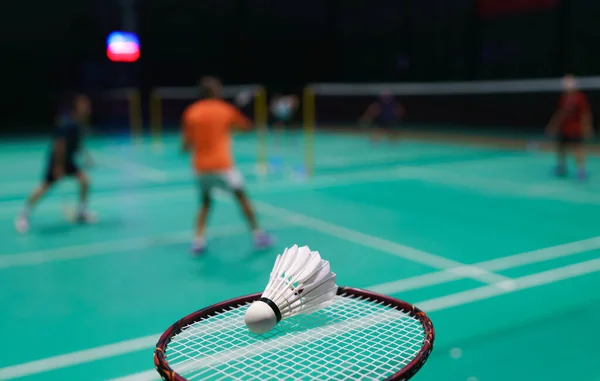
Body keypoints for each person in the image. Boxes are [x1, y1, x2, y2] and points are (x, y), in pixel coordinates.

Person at [181, 76, 275, 254]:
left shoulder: (191, 112)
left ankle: (198, 241)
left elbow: (186, 145)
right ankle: (258, 235)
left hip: (200, 168)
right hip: (223, 165)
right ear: (216, 92)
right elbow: (246, 126)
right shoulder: (225, 110)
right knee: (242, 198)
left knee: (205, 202)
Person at [15, 93, 95, 233]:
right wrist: (58, 166)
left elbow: (78, 143)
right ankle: (23, 215)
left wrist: (87, 157)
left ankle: (81, 213)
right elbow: (59, 145)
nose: (87, 107)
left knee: (84, 181)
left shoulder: (79, 122)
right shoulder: (67, 123)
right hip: (58, 159)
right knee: (44, 187)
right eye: (84, 104)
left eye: (87, 104)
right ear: (76, 106)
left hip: (68, 160)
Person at [546, 74, 594, 180]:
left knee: (578, 149)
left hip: (576, 129)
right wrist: (553, 125)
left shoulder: (580, 97)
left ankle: (581, 171)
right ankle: (562, 168)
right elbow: (560, 113)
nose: (566, 86)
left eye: (568, 83)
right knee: (560, 148)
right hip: (564, 128)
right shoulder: (563, 98)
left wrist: (587, 127)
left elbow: (585, 113)